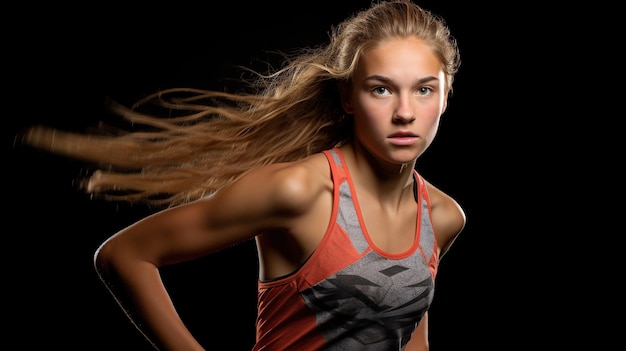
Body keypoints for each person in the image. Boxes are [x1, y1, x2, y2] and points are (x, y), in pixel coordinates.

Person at [18, 0, 465, 349]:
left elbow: (409, 338)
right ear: (348, 97)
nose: (405, 113)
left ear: (446, 95)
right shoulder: (301, 191)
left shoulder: (443, 217)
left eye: (424, 90)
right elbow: (124, 255)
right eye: (381, 89)